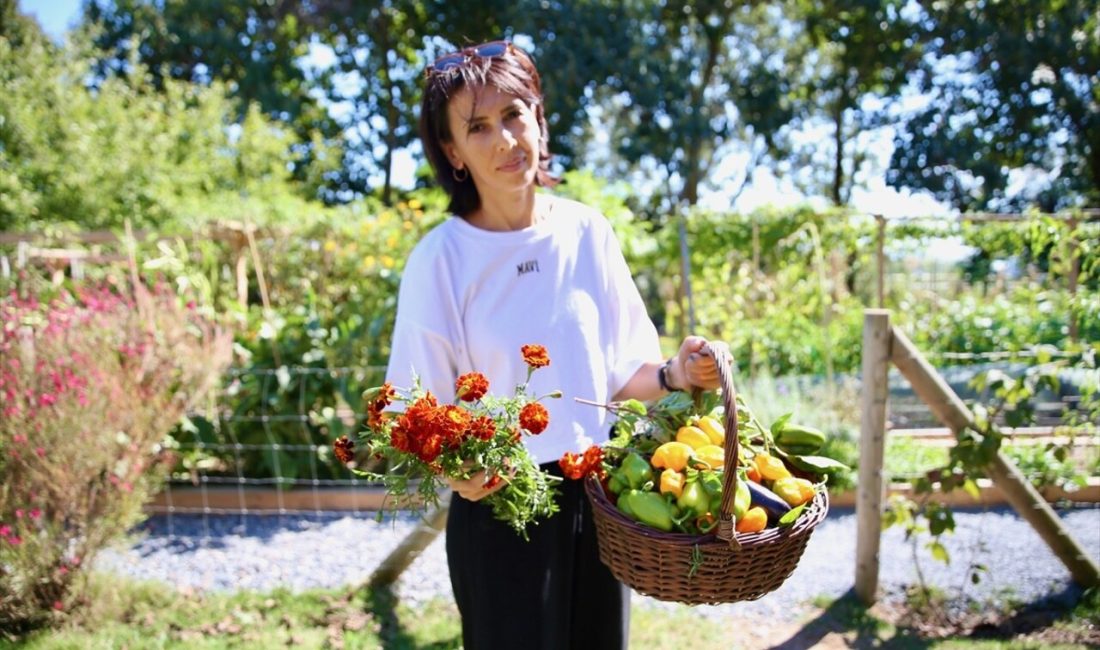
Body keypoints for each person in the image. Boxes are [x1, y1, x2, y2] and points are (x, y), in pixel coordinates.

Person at [385, 39, 722, 650]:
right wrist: (458, 472)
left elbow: (623, 373)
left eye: (514, 114)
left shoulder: (587, 231)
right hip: (499, 509)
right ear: (453, 152)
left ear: (538, 119)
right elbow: (414, 410)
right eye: (478, 127)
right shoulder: (441, 260)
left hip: (601, 502)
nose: (505, 141)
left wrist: (677, 373)